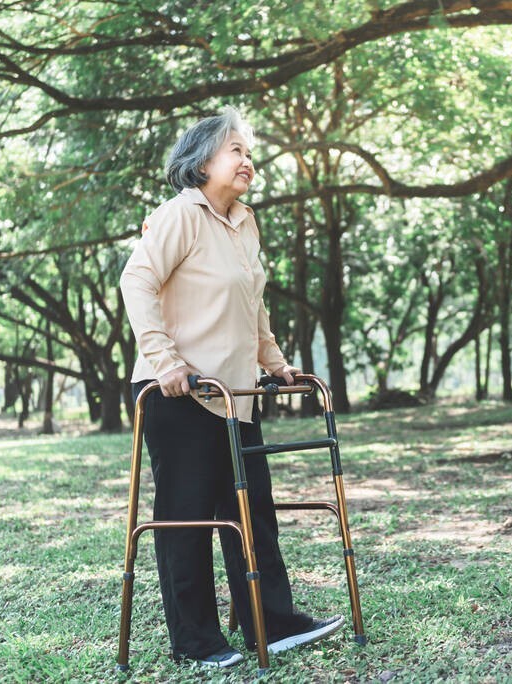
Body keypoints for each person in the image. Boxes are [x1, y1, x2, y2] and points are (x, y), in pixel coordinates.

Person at [120, 107, 343, 668]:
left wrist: (275, 361)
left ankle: (272, 623)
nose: (248, 161)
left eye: (249, 151)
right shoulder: (180, 215)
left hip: (235, 394)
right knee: (187, 517)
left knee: (252, 512)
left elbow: (253, 303)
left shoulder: (244, 220)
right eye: (235, 151)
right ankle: (195, 641)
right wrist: (165, 360)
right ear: (202, 163)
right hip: (179, 393)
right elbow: (136, 281)